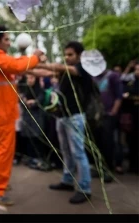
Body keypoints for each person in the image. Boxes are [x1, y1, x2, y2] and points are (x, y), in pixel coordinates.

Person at [0, 24, 44, 206]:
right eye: (7, 39)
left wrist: (33, 60)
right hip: (2, 113)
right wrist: (36, 57)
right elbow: (17, 66)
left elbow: (16, 66)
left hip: (1, 112)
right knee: (3, 152)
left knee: (0, 152)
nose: (10, 43)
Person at [31, 41, 93, 204]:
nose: (67, 58)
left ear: (79, 55)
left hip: (75, 116)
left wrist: (43, 61)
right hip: (62, 116)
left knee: (78, 152)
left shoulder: (82, 69)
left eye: (70, 54)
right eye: (65, 54)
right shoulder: (65, 72)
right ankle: (67, 180)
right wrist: (25, 68)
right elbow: (44, 73)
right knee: (66, 151)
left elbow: (59, 68)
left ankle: (85, 188)